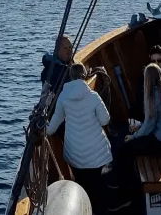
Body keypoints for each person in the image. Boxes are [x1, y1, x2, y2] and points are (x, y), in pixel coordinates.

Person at [108, 64, 161, 212]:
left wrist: (134, 136)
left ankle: (127, 195)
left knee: (125, 150)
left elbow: (149, 124)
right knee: (129, 149)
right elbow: (155, 122)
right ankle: (123, 183)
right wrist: (140, 129)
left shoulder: (154, 96)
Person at [47, 63, 112, 215]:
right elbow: (105, 120)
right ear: (85, 76)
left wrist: (44, 129)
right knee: (98, 188)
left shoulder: (63, 97)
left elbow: (53, 125)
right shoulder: (93, 96)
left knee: (83, 186)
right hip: (96, 154)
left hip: (75, 155)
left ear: (70, 77)